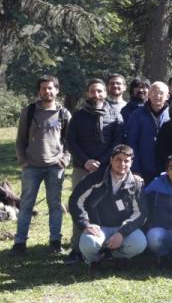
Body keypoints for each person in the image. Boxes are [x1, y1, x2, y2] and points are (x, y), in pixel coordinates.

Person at [66, 78, 124, 262]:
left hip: (107, 168)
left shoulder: (115, 114)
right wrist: (86, 161)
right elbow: (70, 141)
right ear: (87, 94)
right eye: (93, 91)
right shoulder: (78, 115)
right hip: (82, 168)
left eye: (99, 91)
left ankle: (106, 246)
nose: (96, 94)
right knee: (79, 204)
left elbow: (118, 140)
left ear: (105, 93)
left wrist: (102, 161)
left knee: (104, 205)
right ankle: (76, 248)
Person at [12, 75, 71, 256]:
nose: (47, 91)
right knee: (26, 205)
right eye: (44, 88)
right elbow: (20, 139)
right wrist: (23, 160)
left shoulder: (64, 114)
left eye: (51, 88)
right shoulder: (28, 112)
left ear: (57, 90)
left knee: (55, 205)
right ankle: (20, 243)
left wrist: (65, 159)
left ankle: (55, 242)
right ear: (39, 91)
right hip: (31, 167)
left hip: (55, 166)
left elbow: (70, 141)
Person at [69, 144, 147, 265]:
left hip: (121, 228)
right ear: (111, 160)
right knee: (88, 244)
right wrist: (85, 224)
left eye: (126, 161)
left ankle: (113, 257)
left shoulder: (136, 184)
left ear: (131, 162)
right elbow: (75, 201)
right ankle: (94, 260)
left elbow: (141, 213)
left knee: (140, 243)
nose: (122, 164)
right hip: (99, 227)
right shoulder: (94, 178)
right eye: (118, 159)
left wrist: (122, 233)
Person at [125, 81, 170, 185]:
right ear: (149, 94)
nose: (157, 95)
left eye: (160, 93)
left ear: (167, 96)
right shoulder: (136, 115)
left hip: (167, 170)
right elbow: (131, 142)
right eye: (153, 92)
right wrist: (135, 169)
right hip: (143, 169)